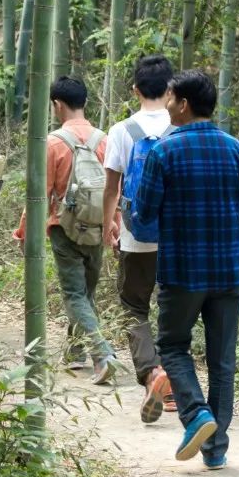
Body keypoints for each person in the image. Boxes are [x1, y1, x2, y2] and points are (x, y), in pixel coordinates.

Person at [129, 70, 239, 470]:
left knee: (172, 346)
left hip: (183, 271)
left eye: (170, 99)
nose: (167, 105)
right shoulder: (236, 149)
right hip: (231, 272)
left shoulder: (163, 152)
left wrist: (131, 211)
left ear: (184, 104)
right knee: (222, 360)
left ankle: (196, 415)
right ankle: (216, 448)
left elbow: (145, 214)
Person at [14, 75, 117, 384]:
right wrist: (114, 224)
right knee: (86, 291)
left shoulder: (53, 142)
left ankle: (103, 353)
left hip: (64, 228)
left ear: (57, 105)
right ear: (84, 102)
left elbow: (40, 195)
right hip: (98, 225)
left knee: (74, 293)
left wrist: (23, 231)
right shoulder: (105, 140)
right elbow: (115, 189)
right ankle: (75, 353)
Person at [100, 54, 176, 422]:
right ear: (171, 89)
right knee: (174, 306)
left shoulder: (122, 131)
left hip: (136, 236)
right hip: (179, 237)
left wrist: (108, 225)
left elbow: (112, 186)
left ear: (135, 89)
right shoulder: (182, 129)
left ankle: (152, 372)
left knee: (133, 306)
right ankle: (176, 379)